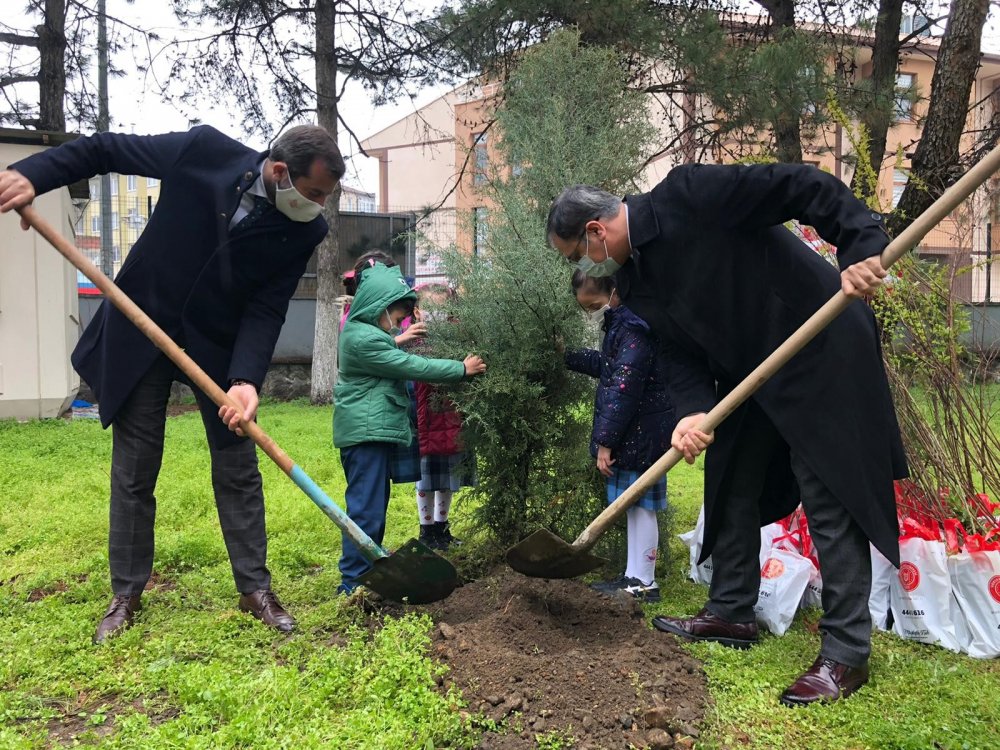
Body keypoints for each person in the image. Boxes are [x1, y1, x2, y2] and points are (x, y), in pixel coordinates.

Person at [546, 164, 908, 707]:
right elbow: (675, 349)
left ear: (596, 230)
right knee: (730, 477)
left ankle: (846, 653)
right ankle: (732, 613)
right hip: (749, 372)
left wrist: (859, 246)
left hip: (818, 342)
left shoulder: (687, 195)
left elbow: (801, 186)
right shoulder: (634, 280)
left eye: (578, 254)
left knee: (829, 493)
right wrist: (693, 411)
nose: (585, 265)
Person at [0, 123, 345, 642]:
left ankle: (255, 588)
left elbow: (268, 303)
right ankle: (126, 592)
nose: (318, 205)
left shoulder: (305, 229)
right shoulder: (204, 153)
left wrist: (247, 379)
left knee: (238, 465)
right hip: (145, 322)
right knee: (136, 467)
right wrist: (33, 174)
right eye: (314, 192)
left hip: (219, 348)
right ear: (279, 171)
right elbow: (106, 148)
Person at [333, 262, 486, 594]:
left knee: (373, 506)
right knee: (365, 508)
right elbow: (411, 364)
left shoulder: (371, 333)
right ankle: (352, 581)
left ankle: (367, 568)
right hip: (365, 433)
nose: (400, 320)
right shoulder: (363, 339)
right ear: (379, 305)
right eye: (398, 313)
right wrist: (460, 368)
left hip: (373, 430)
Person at [564, 271, 675, 601]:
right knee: (633, 505)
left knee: (641, 505)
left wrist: (605, 441)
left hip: (642, 430)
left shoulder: (633, 329)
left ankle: (644, 582)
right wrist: (567, 355)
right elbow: (609, 367)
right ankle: (633, 576)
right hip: (638, 429)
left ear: (614, 290)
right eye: (586, 308)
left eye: (595, 305)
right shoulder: (622, 324)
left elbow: (623, 389)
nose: (593, 312)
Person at [411, 284, 477, 550]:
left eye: (444, 310)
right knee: (425, 481)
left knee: (447, 480)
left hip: (453, 421)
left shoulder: (458, 341)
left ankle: (442, 527)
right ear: (417, 312)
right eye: (432, 309)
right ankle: (426, 531)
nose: (439, 315)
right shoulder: (413, 342)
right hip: (425, 422)